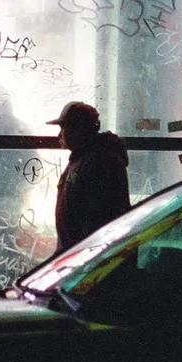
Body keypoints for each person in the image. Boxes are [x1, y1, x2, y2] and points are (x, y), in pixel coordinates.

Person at [49, 100, 130, 252]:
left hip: (88, 257)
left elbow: (99, 219)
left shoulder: (102, 161)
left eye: (63, 127)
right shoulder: (85, 158)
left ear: (78, 129)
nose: (59, 135)